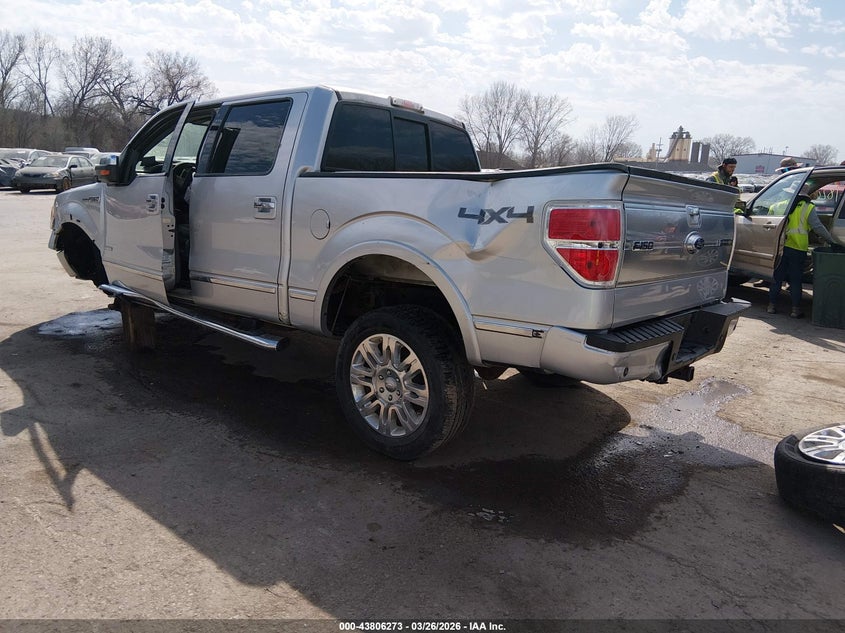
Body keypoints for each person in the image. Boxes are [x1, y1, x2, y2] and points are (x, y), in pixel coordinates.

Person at [768, 185, 843, 318]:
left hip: (779, 248)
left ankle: (771, 306)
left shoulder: (778, 206)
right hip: (798, 249)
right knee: (796, 280)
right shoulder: (808, 207)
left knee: (777, 278)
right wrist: (831, 241)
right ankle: (795, 310)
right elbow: (818, 227)